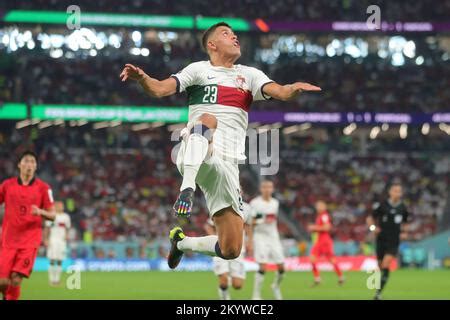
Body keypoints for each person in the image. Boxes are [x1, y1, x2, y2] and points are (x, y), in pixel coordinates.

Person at [120, 22, 320, 270]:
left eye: (234, 34)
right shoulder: (198, 70)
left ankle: (181, 243)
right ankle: (186, 190)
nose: (234, 36)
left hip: (228, 165)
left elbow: (279, 91)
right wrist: (142, 78)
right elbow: (160, 89)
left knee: (231, 249)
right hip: (197, 148)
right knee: (208, 119)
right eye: (226, 33)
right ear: (212, 45)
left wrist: (293, 89)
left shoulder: (249, 75)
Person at [0, 151, 55, 300]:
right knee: (3, 282)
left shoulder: (44, 188)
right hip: (8, 241)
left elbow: (53, 215)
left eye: (32, 162)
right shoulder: (7, 185)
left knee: (16, 279)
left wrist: (40, 212)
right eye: (26, 161)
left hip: (29, 242)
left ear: (36, 166)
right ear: (19, 165)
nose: (29, 164)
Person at [367, 183, 410, 300]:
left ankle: (378, 293)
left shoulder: (403, 207)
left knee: (386, 263)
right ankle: (378, 289)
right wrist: (373, 228)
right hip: (381, 239)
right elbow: (370, 218)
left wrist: (405, 232)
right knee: (380, 265)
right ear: (390, 192)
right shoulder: (382, 205)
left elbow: (405, 222)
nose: (397, 193)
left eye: (399, 191)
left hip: (394, 241)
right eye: (395, 191)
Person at [204, 199, 253, 300]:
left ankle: (228, 278)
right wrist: (215, 239)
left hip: (238, 249)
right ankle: (225, 295)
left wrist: (250, 242)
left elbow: (248, 226)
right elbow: (208, 226)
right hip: (220, 248)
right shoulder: (220, 204)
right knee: (224, 280)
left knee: (237, 285)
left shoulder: (247, 207)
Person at [250, 180, 285, 300]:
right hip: (260, 236)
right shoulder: (255, 203)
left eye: (269, 187)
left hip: (273, 236)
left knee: (281, 268)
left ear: (272, 189)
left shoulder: (275, 203)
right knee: (263, 266)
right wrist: (261, 220)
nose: (267, 189)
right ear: (261, 189)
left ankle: (275, 286)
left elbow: (273, 219)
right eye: (264, 187)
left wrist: (268, 219)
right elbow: (250, 222)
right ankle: (256, 295)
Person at [308, 200, 344, 286]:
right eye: (317, 206)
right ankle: (339, 277)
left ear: (324, 207)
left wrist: (314, 227)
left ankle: (318, 278)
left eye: (320, 205)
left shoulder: (324, 216)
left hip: (324, 241)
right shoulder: (320, 216)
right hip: (321, 240)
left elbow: (327, 227)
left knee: (326, 259)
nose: (318, 207)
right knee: (316, 258)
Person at [44, 201, 71, 286]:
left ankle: (57, 279)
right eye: (58, 206)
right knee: (52, 260)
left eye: (61, 206)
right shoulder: (51, 216)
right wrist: (46, 239)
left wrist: (66, 235)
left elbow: (67, 228)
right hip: (53, 240)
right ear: (55, 206)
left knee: (60, 260)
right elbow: (47, 229)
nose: (60, 207)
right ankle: (51, 279)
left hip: (62, 241)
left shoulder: (66, 217)